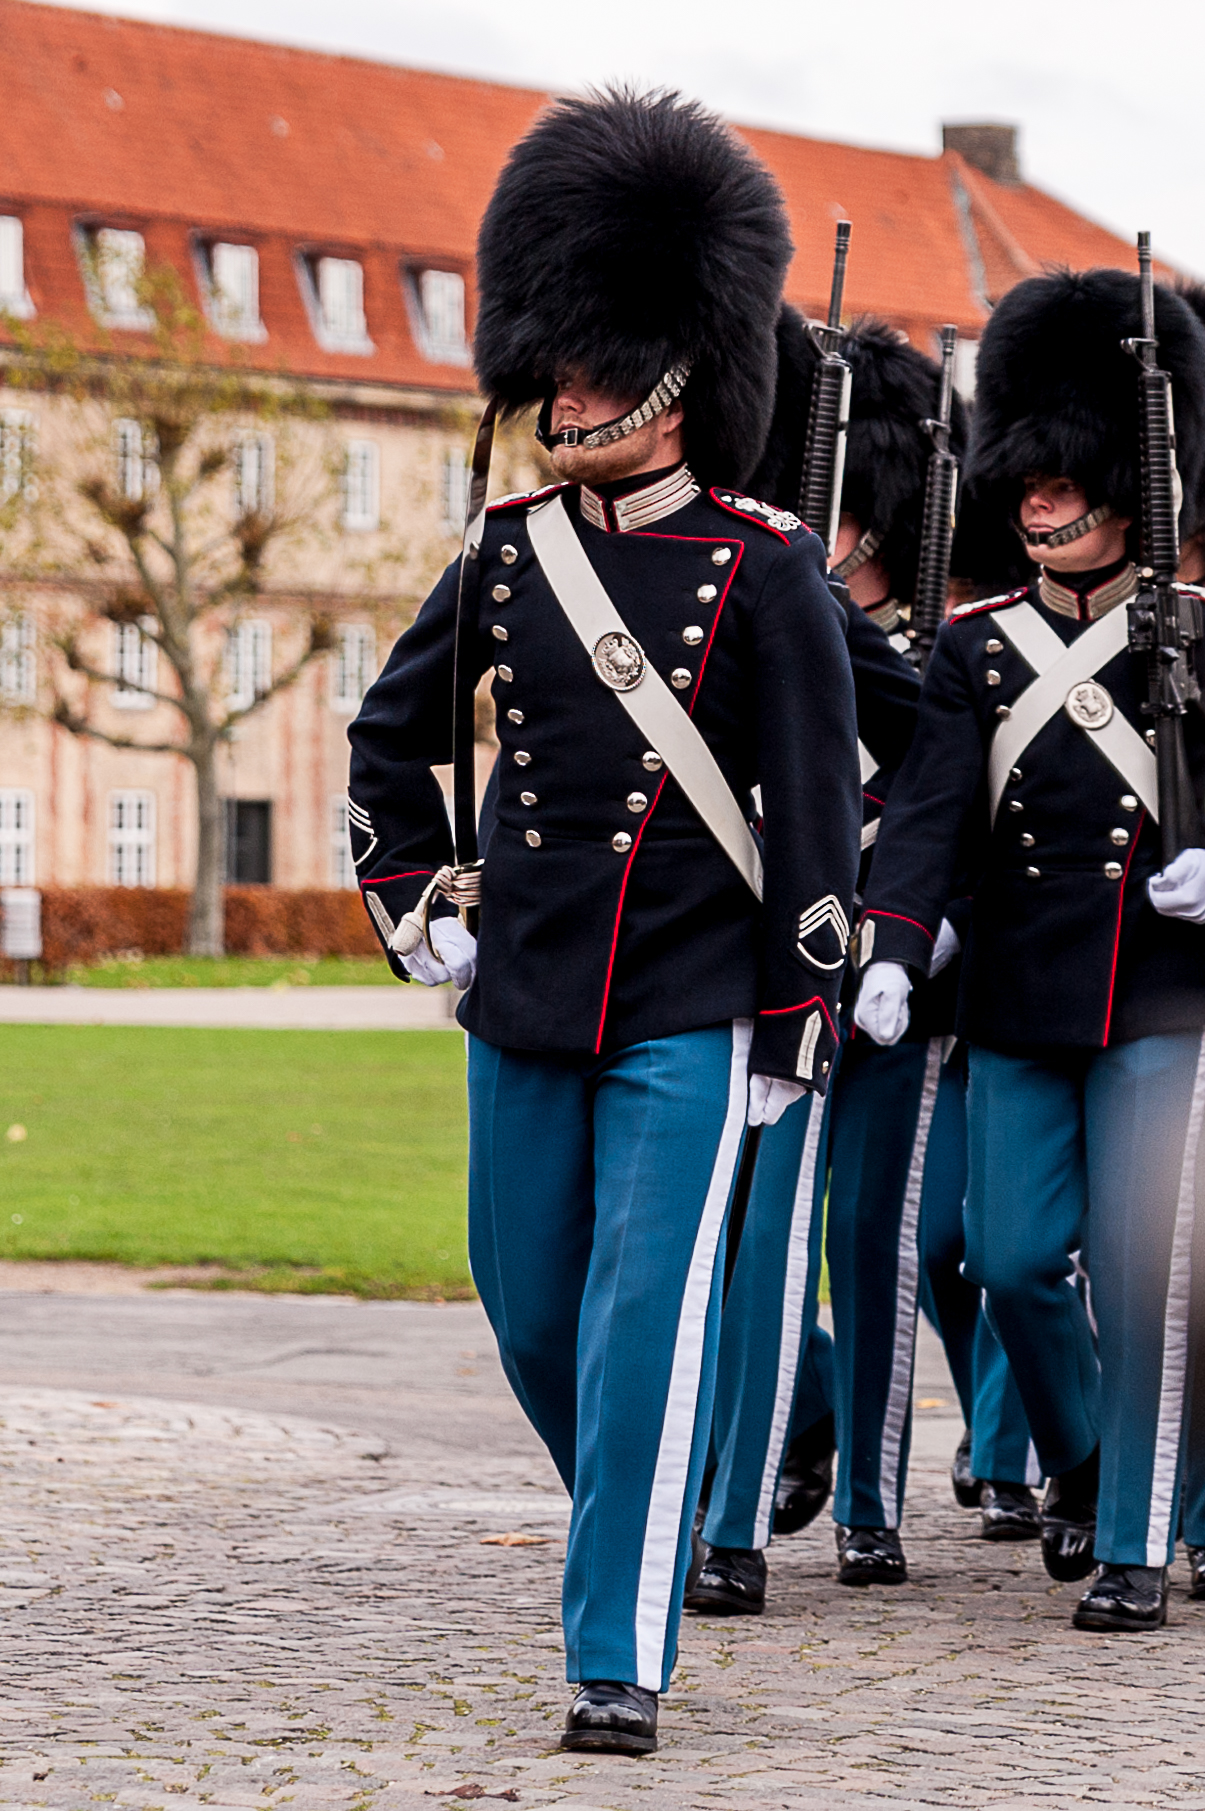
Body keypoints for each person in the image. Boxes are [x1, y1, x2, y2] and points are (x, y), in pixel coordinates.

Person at [347, 88, 862, 1751]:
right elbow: (388, 736)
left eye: (596, 360)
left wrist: (796, 1024)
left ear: (679, 375)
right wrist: (416, 896)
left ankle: (615, 1653)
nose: (564, 390)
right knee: (532, 1308)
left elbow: (813, 814)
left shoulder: (766, 567)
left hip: (694, 1000)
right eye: (553, 359)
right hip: (527, 992)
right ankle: (647, 1505)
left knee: (649, 1314)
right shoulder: (506, 554)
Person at [855, 267, 1205, 1632]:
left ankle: (1129, 1547)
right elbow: (928, 817)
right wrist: (889, 947)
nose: (1039, 499)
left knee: (1135, 1266)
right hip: (1013, 995)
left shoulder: (1192, 640)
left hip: (1163, 997)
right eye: (1029, 479)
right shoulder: (974, 652)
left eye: (1066, 479)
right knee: (1004, 1262)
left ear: (1127, 483)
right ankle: (1088, 1462)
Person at [687, 319, 1037, 1618]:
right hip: (769, 967)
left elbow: (969, 805)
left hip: (896, 983)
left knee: (880, 1241)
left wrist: (927, 920)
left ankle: (876, 1505)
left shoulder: (933, 658)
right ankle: (739, 1490)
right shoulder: (752, 621)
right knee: (755, 1240)